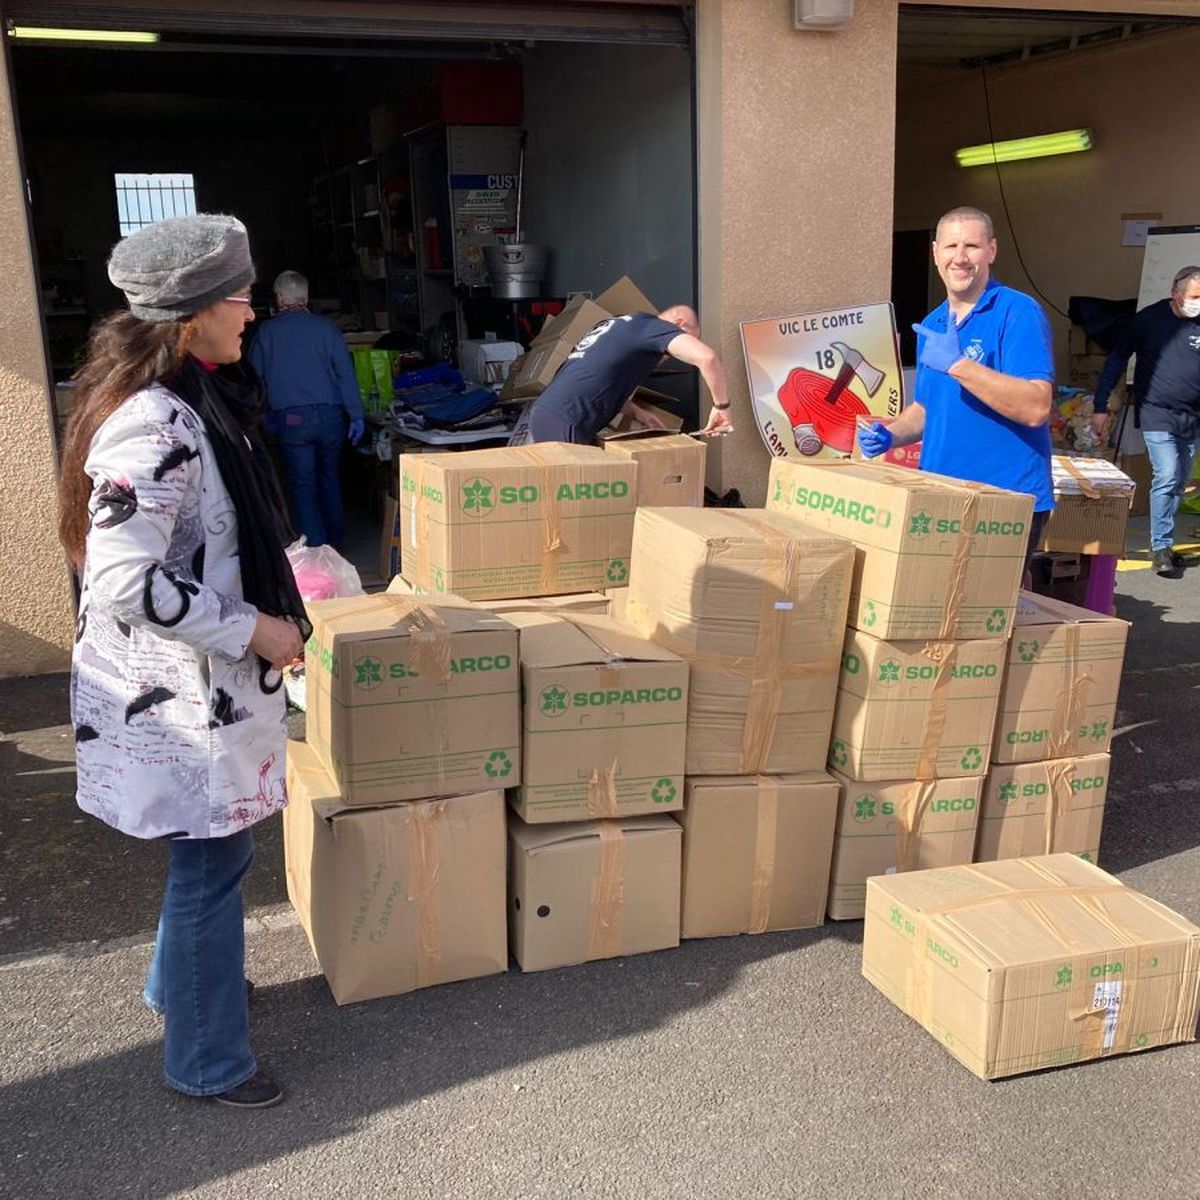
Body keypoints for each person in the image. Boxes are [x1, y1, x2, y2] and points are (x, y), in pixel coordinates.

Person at [58, 215, 308, 1109]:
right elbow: (126, 580)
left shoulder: (192, 399)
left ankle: (182, 992)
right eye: (239, 297)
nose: (251, 311)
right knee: (211, 866)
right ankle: (207, 1062)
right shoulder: (158, 423)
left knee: (210, 862)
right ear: (191, 313)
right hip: (181, 697)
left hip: (194, 691)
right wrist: (254, 630)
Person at [858, 206, 1054, 578]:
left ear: (992, 251)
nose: (960, 258)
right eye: (950, 246)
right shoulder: (933, 324)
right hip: (941, 492)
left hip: (1005, 496)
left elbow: (1036, 406)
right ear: (935, 253)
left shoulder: (1017, 312)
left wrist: (959, 365)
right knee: (939, 604)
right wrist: (891, 434)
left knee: (992, 612)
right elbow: (928, 407)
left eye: (972, 246)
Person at [1093, 265, 1200, 577]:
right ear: (1175, 294)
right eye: (1195, 296)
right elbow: (1116, 360)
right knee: (1166, 475)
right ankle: (1161, 547)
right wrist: (1101, 406)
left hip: (1192, 417)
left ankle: (1164, 542)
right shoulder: (1148, 320)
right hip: (1157, 412)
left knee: (1180, 481)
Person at [246, 270, 364, 548]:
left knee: (303, 485)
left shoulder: (267, 332)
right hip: (332, 418)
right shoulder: (327, 329)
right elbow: (346, 375)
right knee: (330, 478)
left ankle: (317, 548)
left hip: (292, 420)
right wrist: (356, 415)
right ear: (307, 297)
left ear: (278, 297)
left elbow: (253, 379)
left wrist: (260, 417)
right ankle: (337, 544)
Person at [520, 305, 735, 444]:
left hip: (551, 414)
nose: (671, 355)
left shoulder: (620, 325)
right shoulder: (654, 328)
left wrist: (638, 413)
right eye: (687, 337)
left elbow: (601, 378)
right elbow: (707, 358)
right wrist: (721, 407)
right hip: (567, 419)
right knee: (576, 506)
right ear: (679, 324)